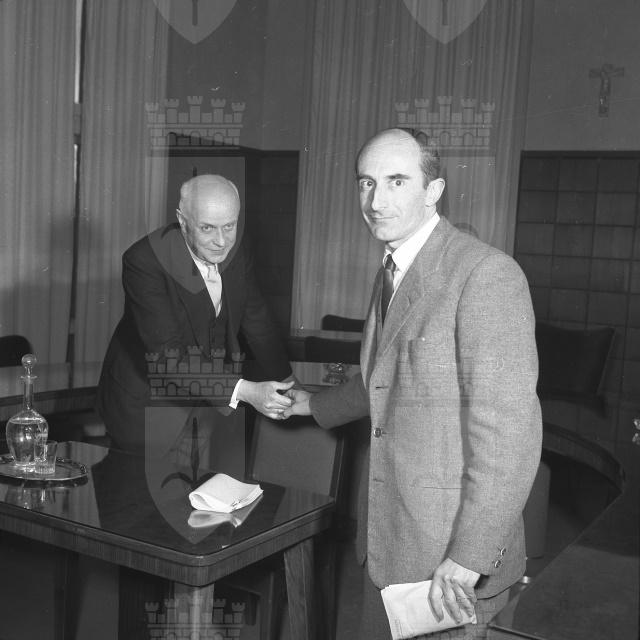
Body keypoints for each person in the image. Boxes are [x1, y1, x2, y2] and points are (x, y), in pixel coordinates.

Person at [284, 128, 542, 639]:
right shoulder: (393, 266)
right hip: (391, 540)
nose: (376, 201)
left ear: (433, 191)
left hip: (450, 559)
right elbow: (384, 380)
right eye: (366, 183)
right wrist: (309, 405)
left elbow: (510, 435)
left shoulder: (485, 274)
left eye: (397, 181)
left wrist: (469, 556)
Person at [97, 174, 293, 454]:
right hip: (145, 406)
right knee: (145, 481)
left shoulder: (237, 248)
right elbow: (168, 355)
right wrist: (246, 391)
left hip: (208, 402)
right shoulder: (144, 260)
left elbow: (256, 318)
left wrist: (286, 381)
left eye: (229, 226)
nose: (221, 241)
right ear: (182, 220)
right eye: (207, 228)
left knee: (200, 479)